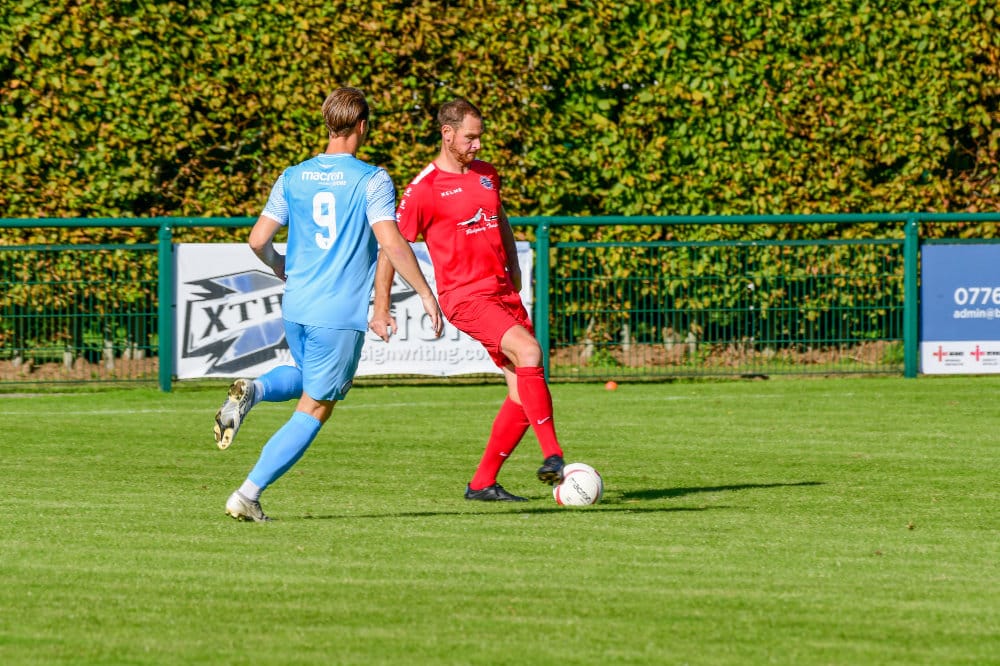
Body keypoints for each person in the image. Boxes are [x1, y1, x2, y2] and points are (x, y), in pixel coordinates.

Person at [213, 87, 443, 522]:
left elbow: (258, 240)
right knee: (316, 406)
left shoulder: (293, 176)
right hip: (337, 315)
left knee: (306, 377)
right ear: (362, 126)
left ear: (327, 123)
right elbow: (391, 242)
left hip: (297, 306)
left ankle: (255, 390)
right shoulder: (372, 179)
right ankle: (247, 493)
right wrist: (427, 294)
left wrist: (279, 265)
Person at [369, 98, 565, 502]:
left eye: (479, 137)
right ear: (448, 133)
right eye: (470, 138)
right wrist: (382, 307)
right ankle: (554, 456)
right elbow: (391, 247)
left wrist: (514, 266)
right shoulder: (424, 189)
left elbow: (500, 218)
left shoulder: (487, 174)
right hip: (465, 297)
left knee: (522, 393)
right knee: (530, 353)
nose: (477, 145)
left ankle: (481, 484)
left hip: (502, 291)